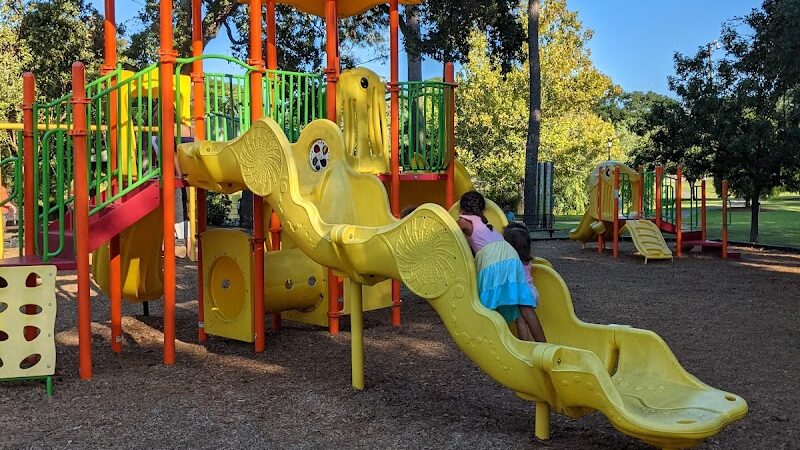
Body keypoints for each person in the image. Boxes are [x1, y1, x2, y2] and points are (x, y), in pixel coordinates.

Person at [457, 191, 546, 343]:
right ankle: (544, 345)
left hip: (492, 259)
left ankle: (489, 343)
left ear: (462, 208)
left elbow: (451, 235)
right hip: (511, 256)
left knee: (487, 306)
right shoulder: (484, 221)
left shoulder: (463, 221)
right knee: (525, 306)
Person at [503, 222, 546, 342]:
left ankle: (525, 345)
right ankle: (532, 344)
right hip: (532, 291)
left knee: (520, 321)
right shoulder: (527, 259)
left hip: (523, 294)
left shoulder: (512, 262)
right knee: (528, 321)